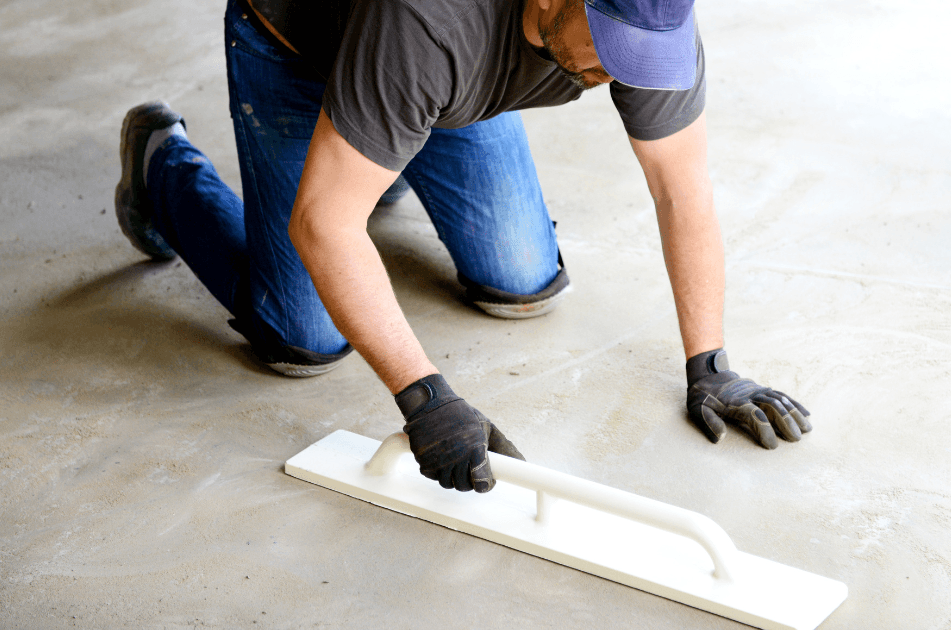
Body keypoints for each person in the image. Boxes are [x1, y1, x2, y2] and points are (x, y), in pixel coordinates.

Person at [114, 0, 813, 495]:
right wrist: (426, 399)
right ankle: (160, 165)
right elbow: (322, 225)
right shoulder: (434, 20)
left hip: (436, 81)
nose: (623, 73)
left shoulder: (649, 27)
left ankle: (380, 146)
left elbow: (681, 189)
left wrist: (712, 362)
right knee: (302, 337)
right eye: (609, 46)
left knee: (522, 281)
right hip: (301, 47)